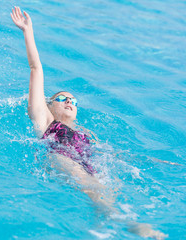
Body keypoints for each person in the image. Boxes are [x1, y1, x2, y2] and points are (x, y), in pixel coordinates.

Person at [10, 7, 168, 239]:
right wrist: (27, 31)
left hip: (86, 161)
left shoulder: (83, 132)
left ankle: (101, 227)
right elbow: (36, 68)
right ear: (50, 104)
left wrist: (150, 160)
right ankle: (133, 226)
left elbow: (109, 154)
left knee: (109, 190)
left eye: (73, 100)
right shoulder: (45, 119)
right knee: (95, 190)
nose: (69, 102)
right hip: (58, 157)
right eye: (63, 98)